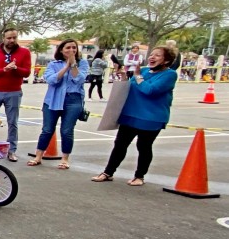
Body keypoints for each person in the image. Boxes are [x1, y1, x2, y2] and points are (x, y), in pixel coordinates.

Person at [91, 46, 178, 186]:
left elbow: (150, 90)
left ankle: (139, 176)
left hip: (150, 118)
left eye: (157, 55)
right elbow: (132, 87)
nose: (152, 57)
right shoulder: (143, 71)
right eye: (151, 54)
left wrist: (137, 76)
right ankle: (108, 172)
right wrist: (124, 76)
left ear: (166, 60)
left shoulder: (170, 75)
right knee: (119, 145)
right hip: (130, 115)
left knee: (143, 146)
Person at [28, 39, 89, 170]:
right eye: (68, 48)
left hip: (73, 100)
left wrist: (73, 65)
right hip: (53, 99)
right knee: (47, 130)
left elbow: (79, 79)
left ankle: (65, 159)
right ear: (61, 50)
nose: (71, 50)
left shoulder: (82, 63)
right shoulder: (53, 64)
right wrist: (66, 66)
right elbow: (51, 80)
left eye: (74, 48)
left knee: (67, 131)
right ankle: (38, 156)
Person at [0, 28, 32, 162]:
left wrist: (16, 68)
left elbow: (26, 72)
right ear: (3, 38)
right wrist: (3, 70)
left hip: (14, 92)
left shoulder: (24, 52)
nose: (12, 40)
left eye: (14, 37)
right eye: (9, 38)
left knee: (13, 122)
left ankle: (12, 150)